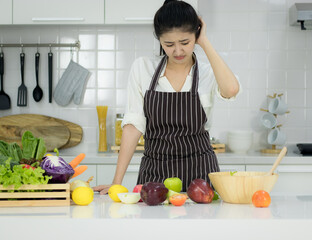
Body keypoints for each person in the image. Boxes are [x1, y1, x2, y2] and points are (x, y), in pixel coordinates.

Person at [93, 0, 240, 194]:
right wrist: (116, 182)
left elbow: (230, 89)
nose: (178, 51)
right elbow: (133, 126)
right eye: (169, 44)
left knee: (203, 223)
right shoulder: (143, 68)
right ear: (159, 40)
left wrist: (204, 42)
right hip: (155, 173)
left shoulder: (209, 72)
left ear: (196, 35)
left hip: (201, 174)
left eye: (185, 42)